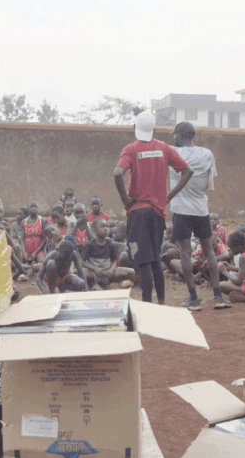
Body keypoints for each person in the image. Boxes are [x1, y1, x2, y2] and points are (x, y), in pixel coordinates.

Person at [114, 110, 193, 305]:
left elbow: (117, 173)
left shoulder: (131, 149)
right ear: (155, 129)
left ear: (135, 128)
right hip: (158, 213)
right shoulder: (164, 148)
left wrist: (125, 200)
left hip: (137, 212)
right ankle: (162, 303)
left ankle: (147, 304)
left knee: (143, 261)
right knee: (155, 259)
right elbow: (187, 171)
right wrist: (168, 197)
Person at [166, 121, 228, 310]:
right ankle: (217, 297)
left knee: (185, 253)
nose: (173, 138)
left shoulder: (172, 152)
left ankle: (193, 299)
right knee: (209, 250)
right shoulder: (207, 154)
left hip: (181, 209)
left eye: (175, 134)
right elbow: (211, 182)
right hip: (201, 209)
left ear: (182, 135)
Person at [82, 218, 134, 289]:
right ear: (95, 230)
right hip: (93, 273)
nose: (106, 229)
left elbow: (114, 261)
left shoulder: (110, 243)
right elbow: (81, 262)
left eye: (107, 226)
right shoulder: (89, 244)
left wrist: (111, 269)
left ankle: (107, 282)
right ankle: (91, 283)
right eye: (102, 226)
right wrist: (94, 268)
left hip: (107, 273)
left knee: (131, 272)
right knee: (78, 273)